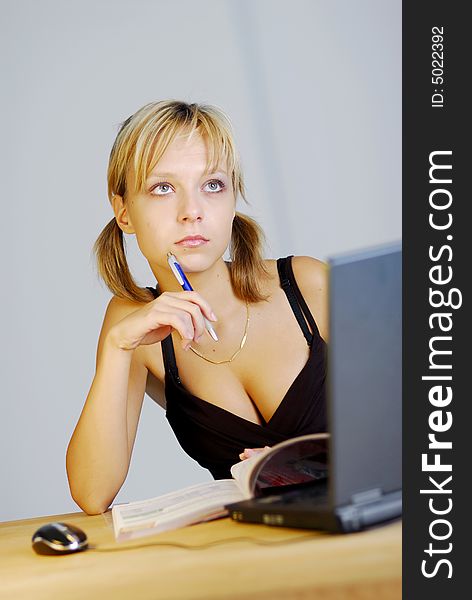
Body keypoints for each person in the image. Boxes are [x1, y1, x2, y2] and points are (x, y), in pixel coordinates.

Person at [66, 100, 328, 515]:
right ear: (124, 212)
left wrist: (306, 468)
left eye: (213, 185)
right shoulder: (132, 322)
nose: (192, 212)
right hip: (256, 562)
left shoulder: (310, 285)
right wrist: (118, 347)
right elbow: (91, 492)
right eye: (162, 188)